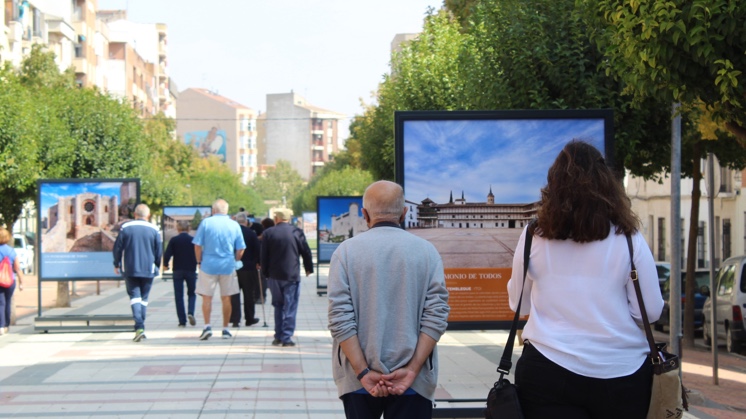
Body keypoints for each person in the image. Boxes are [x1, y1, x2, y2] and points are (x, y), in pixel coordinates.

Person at [507, 140, 664, 419]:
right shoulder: (628, 237)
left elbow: (518, 303)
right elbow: (650, 310)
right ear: (607, 184)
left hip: (548, 369)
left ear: (553, 185)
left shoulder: (534, 235)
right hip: (621, 372)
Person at [327, 180, 450, 419]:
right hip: (413, 380)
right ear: (404, 214)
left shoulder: (345, 252)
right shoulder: (427, 252)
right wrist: (412, 369)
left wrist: (363, 372)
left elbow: (339, 317)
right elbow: (437, 315)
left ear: (364, 214)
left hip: (358, 379)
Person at [193, 199, 245, 340]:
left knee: (207, 297)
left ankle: (207, 326)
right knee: (226, 298)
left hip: (208, 264)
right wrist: (236, 261)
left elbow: (197, 245)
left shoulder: (206, 223)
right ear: (226, 211)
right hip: (227, 265)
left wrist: (199, 261)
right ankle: (225, 329)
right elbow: (241, 248)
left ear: (213, 210)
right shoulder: (234, 225)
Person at [260, 208, 313, 347]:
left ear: (276, 218)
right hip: (291, 275)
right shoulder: (297, 232)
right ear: (289, 219)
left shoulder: (268, 233)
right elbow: (306, 252)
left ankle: (278, 335)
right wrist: (308, 268)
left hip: (274, 276)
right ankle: (286, 337)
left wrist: (265, 273)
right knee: (290, 306)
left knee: (278, 305)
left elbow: (263, 255)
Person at [112, 204, 162, 342]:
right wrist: (157, 265)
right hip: (148, 269)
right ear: (148, 215)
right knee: (144, 299)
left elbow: (117, 248)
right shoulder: (154, 229)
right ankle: (141, 326)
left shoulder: (126, 228)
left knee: (134, 297)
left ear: (134, 214)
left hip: (130, 268)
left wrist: (116, 263)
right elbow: (158, 251)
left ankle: (139, 326)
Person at [163, 220, 198, 328]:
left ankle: (182, 321)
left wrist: (165, 265)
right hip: (191, 270)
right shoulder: (193, 240)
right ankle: (190, 312)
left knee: (179, 295)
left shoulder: (174, 240)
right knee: (192, 293)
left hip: (177, 270)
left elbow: (167, 254)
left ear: (178, 229)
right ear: (188, 229)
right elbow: (198, 253)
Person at [230, 212, 261, 327]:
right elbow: (258, 249)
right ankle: (249, 318)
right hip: (249, 268)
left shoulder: (231, 233)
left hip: (233, 267)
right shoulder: (251, 233)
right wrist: (259, 262)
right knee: (249, 294)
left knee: (234, 294)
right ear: (246, 222)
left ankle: (235, 319)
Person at [0, 227, 24, 336]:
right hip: (10, 280)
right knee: (8, 302)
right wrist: (21, 282)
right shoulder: (11, 250)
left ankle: (0, 326)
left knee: (1, 303)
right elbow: (17, 267)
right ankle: (6, 325)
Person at [256, 217, 275, 303]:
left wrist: (258, 262)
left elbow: (260, 249)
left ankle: (262, 297)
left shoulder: (263, 236)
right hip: (274, 261)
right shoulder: (275, 233)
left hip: (264, 261)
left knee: (263, 279)